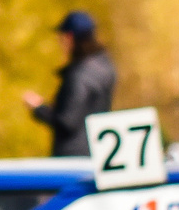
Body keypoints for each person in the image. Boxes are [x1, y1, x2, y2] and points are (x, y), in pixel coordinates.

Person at [20, 10, 114, 157]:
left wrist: (38, 108)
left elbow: (67, 121)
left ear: (69, 38)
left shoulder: (79, 75)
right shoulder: (106, 67)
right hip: (99, 153)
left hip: (73, 159)